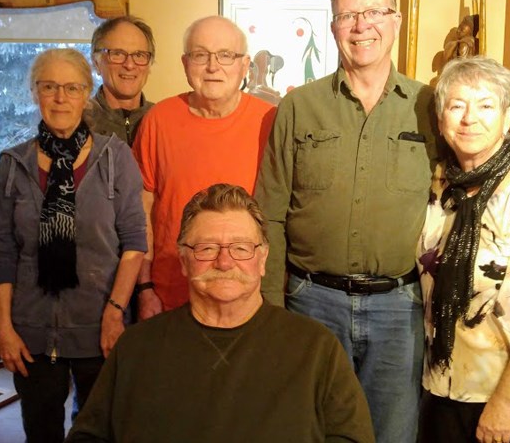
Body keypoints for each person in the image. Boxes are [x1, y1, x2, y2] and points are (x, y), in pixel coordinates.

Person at [254, 0, 438, 443]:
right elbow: (269, 213)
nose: (361, 25)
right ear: (332, 25)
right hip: (310, 303)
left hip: (400, 309)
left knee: (393, 435)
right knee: (309, 430)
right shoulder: (297, 108)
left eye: (374, 11)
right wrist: (272, 305)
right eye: (347, 15)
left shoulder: (431, 107)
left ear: (395, 19)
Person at [64, 183, 375, 443]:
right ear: (184, 261)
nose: (224, 263)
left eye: (240, 248)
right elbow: (88, 436)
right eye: (207, 248)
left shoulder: (316, 348)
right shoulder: (136, 348)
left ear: (263, 259)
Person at [0, 48, 146, 443]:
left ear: (85, 93)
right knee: (40, 433)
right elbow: (5, 250)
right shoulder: (13, 163)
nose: (60, 97)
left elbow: (133, 242)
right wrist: (3, 325)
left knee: (97, 433)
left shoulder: (115, 157)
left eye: (71, 87)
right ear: (34, 92)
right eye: (49, 87)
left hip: (98, 328)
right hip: (32, 334)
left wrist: (115, 312)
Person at [416, 56, 510, 443]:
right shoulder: (439, 187)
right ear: (440, 118)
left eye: (486, 105)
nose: (469, 119)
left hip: (505, 400)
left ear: (508, 115)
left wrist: (505, 403)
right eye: (456, 105)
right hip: (439, 388)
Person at [132, 15, 276, 320]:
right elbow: (141, 212)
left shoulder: (271, 122)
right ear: (185, 63)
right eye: (201, 55)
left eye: (226, 55)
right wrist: (144, 288)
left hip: (247, 298)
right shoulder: (159, 120)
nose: (213, 66)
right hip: (171, 294)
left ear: (244, 64)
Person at [84, 15, 155, 145]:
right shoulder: (78, 122)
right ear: (96, 63)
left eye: (139, 55)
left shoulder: (163, 121)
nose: (129, 65)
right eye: (117, 54)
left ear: (149, 64)